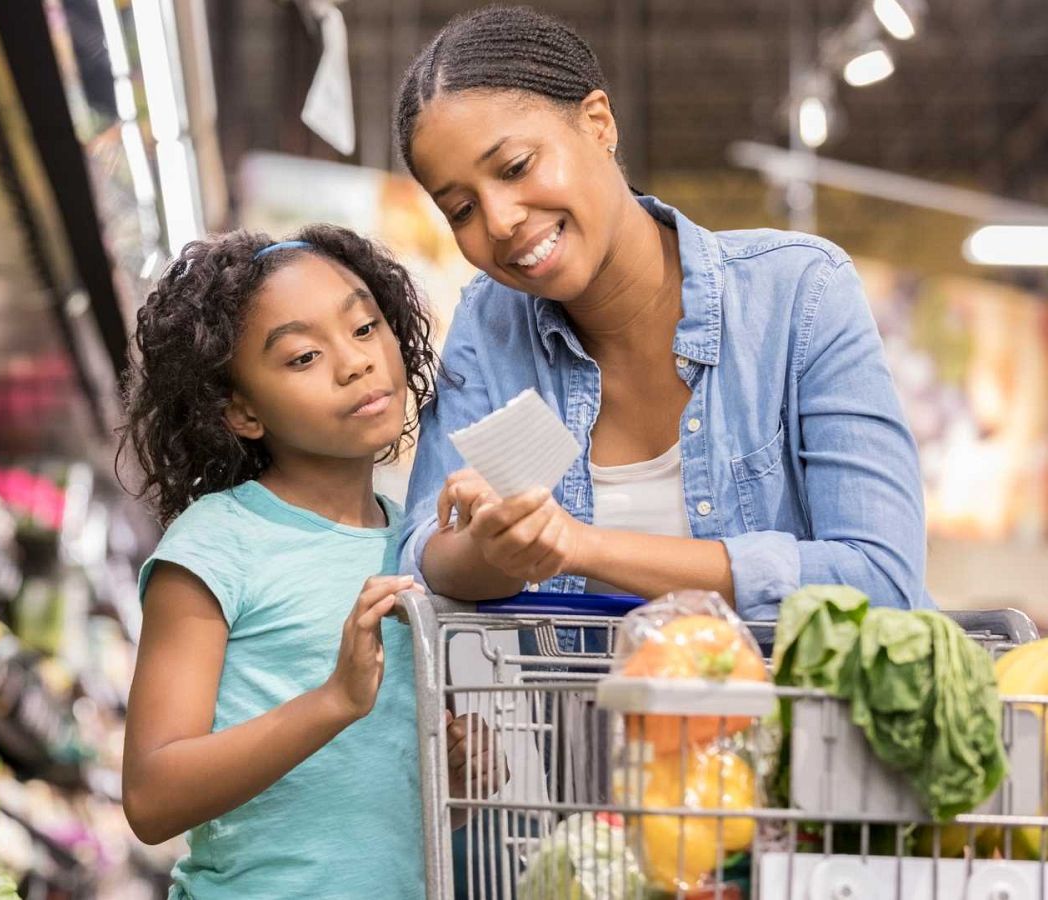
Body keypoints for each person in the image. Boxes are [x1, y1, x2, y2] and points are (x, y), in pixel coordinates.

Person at [393, 5, 933, 619]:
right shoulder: (492, 327)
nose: (499, 220)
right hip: (568, 719)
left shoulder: (798, 294)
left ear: (598, 123)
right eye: (460, 209)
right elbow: (421, 559)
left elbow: (879, 578)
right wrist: (494, 545)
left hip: (796, 715)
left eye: (516, 167)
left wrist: (581, 546)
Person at [119, 225, 496, 898]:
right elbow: (151, 797)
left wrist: (454, 782)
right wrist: (333, 702)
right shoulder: (215, 543)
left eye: (363, 328)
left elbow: (360, 808)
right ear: (241, 411)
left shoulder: (416, 541)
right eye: (301, 357)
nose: (355, 363)